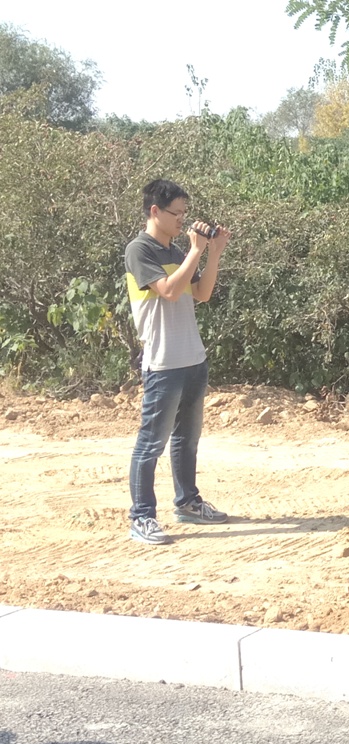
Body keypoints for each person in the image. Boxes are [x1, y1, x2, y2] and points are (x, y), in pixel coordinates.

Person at [123, 179, 231, 545]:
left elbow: (202, 293)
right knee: (151, 443)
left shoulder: (177, 251)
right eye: (177, 213)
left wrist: (213, 253)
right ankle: (142, 517)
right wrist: (195, 252)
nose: (182, 220)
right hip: (163, 363)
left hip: (192, 359)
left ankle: (188, 503)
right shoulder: (140, 250)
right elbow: (168, 291)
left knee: (187, 440)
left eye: (185, 213)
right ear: (155, 211)